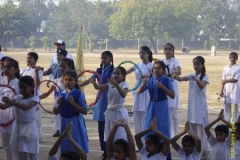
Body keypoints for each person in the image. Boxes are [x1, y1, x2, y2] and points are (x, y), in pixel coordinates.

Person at [173, 56, 211, 159]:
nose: (195, 66)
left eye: (198, 64)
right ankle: (193, 148)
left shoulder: (204, 76)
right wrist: (175, 76)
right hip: (192, 106)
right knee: (192, 126)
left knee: (202, 128)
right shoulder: (191, 75)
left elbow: (202, 86)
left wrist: (196, 79)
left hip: (200, 106)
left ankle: (205, 149)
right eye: (194, 64)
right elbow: (181, 79)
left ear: (202, 65)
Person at [79, 51, 114, 160]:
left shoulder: (114, 71)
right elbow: (90, 80)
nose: (103, 60)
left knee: (110, 126)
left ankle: (112, 150)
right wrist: (77, 85)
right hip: (100, 100)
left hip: (110, 99)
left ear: (110, 59)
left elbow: (109, 85)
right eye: (102, 58)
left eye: (106, 58)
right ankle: (105, 151)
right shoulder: (99, 70)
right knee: (101, 126)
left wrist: (97, 85)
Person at [137, 60, 174, 160]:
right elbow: (138, 91)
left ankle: (166, 156)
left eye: (159, 68)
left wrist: (163, 87)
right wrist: (143, 84)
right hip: (152, 105)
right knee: (150, 129)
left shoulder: (167, 80)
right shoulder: (150, 80)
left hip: (162, 106)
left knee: (163, 130)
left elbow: (172, 95)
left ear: (163, 69)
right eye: (154, 68)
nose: (156, 70)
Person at [0, 76, 39, 160]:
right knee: (21, 152)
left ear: (32, 87)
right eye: (20, 87)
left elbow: (26, 107)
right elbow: (3, 107)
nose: (21, 90)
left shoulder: (35, 98)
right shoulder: (18, 98)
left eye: (24, 87)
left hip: (30, 128)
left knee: (32, 152)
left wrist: (11, 102)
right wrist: (11, 102)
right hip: (18, 127)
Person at [91, 66, 129, 143]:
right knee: (110, 134)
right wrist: (94, 82)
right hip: (110, 112)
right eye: (114, 73)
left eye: (117, 73)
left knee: (119, 134)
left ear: (123, 76)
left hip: (119, 113)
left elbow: (123, 94)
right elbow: (98, 87)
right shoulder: (109, 84)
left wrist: (116, 84)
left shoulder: (125, 84)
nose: (115, 75)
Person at [38, 58, 75, 137]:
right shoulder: (56, 81)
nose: (61, 68)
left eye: (64, 66)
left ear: (70, 67)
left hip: (70, 108)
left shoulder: (73, 81)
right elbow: (46, 93)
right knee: (61, 131)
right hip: (59, 107)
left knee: (71, 132)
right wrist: (36, 98)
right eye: (60, 66)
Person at [54, 70, 89, 153]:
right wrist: (58, 104)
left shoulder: (79, 94)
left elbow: (85, 111)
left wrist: (73, 103)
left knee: (76, 142)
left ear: (75, 81)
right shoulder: (60, 93)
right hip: (64, 122)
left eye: (70, 80)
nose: (67, 82)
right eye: (65, 80)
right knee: (65, 143)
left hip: (75, 121)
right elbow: (55, 111)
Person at [126, 46, 153, 135]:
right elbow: (124, 73)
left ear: (148, 54)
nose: (141, 54)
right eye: (140, 53)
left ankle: (146, 137)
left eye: (143, 53)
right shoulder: (136, 65)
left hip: (147, 89)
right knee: (137, 111)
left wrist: (148, 76)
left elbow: (156, 76)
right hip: (138, 88)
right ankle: (139, 137)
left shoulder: (151, 66)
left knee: (145, 112)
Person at [42, 48, 67, 137]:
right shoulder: (55, 66)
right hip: (57, 94)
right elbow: (46, 93)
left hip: (68, 103)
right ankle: (58, 130)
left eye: (60, 55)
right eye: (57, 55)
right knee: (57, 110)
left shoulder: (71, 79)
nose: (58, 56)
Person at [0, 58, 20, 160]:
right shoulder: (2, 82)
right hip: (3, 118)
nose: (5, 69)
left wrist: (7, 104)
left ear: (15, 70)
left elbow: (18, 101)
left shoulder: (19, 83)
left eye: (8, 67)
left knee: (15, 147)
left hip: (14, 118)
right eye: (3, 67)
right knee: (6, 147)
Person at [20, 52, 43, 142]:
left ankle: (39, 134)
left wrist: (36, 71)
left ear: (35, 60)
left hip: (35, 94)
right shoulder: (24, 70)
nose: (28, 59)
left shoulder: (39, 70)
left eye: (31, 58)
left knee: (36, 116)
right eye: (27, 57)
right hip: (25, 95)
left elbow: (37, 83)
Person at [162, 43, 181, 138]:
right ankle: (167, 134)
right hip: (163, 88)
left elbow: (179, 71)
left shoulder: (175, 61)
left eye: (170, 49)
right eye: (166, 49)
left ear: (173, 51)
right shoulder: (162, 61)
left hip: (172, 87)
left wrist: (168, 74)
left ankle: (175, 135)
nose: (168, 51)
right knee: (166, 113)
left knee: (173, 112)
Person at [219, 52, 240, 122]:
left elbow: (235, 79)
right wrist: (221, 91)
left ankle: (234, 125)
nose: (232, 59)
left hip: (234, 88)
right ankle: (227, 123)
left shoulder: (238, 68)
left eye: (234, 57)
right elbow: (222, 80)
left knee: (234, 107)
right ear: (229, 58)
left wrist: (226, 80)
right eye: (231, 57)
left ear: (237, 58)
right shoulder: (225, 68)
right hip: (226, 89)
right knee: (226, 107)